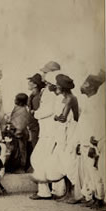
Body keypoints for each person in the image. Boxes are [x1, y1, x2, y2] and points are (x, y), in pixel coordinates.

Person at [29, 62, 65, 200]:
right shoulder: (48, 90)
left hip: (50, 131)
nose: (43, 74)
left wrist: (35, 114)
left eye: (45, 72)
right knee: (46, 160)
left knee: (40, 159)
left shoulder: (52, 92)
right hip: (46, 131)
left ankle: (46, 191)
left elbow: (49, 110)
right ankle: (52, 191)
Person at [73, 71, 106, 206]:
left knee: (97, 172)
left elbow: (99, 125)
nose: (82, 85)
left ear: (92, 87)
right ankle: (94, 197)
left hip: (93, 143)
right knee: (90, 173)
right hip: (85, 142)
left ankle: (100, 199)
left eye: (86, 83)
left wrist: (95, 145)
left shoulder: (97, 103)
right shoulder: (89, 101)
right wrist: (80, 143)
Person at [7, 93, 33, 172]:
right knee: (15, 151)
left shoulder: (23, 110)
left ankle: (21, 167)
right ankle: (14, 167)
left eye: (16, 99)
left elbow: (21, 124)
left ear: (20, 101)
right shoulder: (17, 108)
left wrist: (17, 132)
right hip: (14, 133)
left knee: (21, 151)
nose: (14, 100)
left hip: (20, 134)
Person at [27, 73, 45, 152]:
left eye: (31, 81)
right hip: (33, 126)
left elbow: (37, 114)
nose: (28, 82)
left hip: (36, 127)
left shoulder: (36, 98)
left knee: (36, 148)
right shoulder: (33, 96)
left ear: (35, 85)